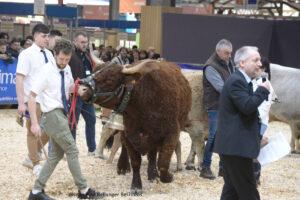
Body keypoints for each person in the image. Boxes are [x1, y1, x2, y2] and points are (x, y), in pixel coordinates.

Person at [27, 38, 102, 200]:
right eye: (61, 59)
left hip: (62, 114)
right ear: (55, 54)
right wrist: (34, 123)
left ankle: (36, 192)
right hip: (52, 114)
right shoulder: (45, 70)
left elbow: (67, 88)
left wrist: (78, 89)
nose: (63, 62)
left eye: (67, 59)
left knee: (55, 155)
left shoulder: (67, 68)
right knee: (73, 150)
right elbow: (32, 97)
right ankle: (84, 190)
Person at [213, 46, 270, 200]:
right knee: (249, 192)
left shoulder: (243, 81)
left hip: (234, 147)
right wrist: (263, 90)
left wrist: (257, 137)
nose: (260, 64)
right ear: (242, 63)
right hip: (236, 149)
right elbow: (247, 107)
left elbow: (243, 115)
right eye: (255, 60)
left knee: (231, 192)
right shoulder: (237, 81)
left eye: (260, 60)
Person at [16, 24, 54, 176]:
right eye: (44, 36)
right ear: (36, 36)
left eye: (48, 36)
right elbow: (19, 79)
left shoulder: (50, 54)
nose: (47, 39)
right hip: (32, 99)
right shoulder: (26, 54)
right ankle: (35, 163)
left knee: (51, 130)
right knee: (33, 131)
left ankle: (31, 155)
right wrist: (20, 103)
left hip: (48, 100)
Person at [200, 39, 235, 180]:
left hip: (225, 105)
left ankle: (222, 168)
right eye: (227, 53)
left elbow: (231, 81)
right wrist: (238, 92)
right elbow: (222, 88)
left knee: (224, 136)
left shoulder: (227, 63)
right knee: (213, 136)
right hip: (215, 106)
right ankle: (205, 167)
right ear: (218, 51)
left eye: (230, 53)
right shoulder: (210, 66)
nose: (229, 56)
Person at [69, 32, 97, 155]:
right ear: (75, 41)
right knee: (73, 122)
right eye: (82, 42)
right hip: (75, 94)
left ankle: (92, 149)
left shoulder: (87, 55)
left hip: (87, 94)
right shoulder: (70, 55)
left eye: (86, 42)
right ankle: (72, 149)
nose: (84, 44)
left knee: (91, 120)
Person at [252, 57, 276, 185]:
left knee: (255, 150)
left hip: (259, 121)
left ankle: (255, 178)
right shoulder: (255, 81)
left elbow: (265, 106)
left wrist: (253, 116)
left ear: (264, 69)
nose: (257, 68)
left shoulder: (266, 83)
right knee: (254, 150)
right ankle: (254, 178)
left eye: (260, 66)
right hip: (257, 120)